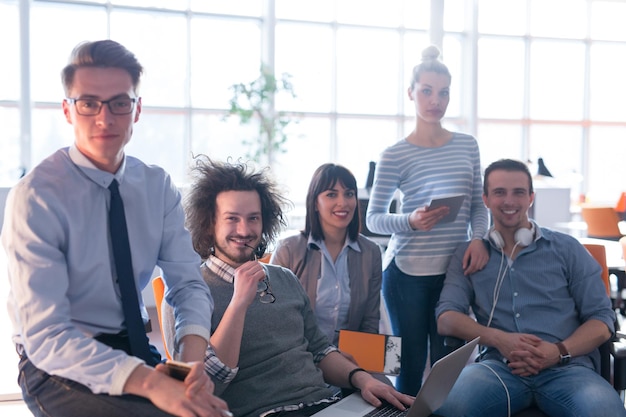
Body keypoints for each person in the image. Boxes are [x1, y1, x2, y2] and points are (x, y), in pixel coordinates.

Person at [1, 40, 228, 417]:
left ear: (137, 109)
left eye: (119, 103)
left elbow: (188, 284)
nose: (104, 119)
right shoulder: (36, 198)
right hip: (59, 362)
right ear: (67, 110)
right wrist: (154, 384)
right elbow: (47, 336)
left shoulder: (157, 187)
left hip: (135, 349)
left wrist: (188, 367)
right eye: (88, 103)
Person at [162, 157, 413, 417]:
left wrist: (362, 379)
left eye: (253, 218)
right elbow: (202, 389)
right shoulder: (187, 291)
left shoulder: (284, 278)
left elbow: (319, 349)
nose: (244, 229)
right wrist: (239, 303)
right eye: (232, 218)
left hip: (327, 403)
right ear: (209, 222)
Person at [434, 158, 626, 416]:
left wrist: (557, 352)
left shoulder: (567, 248)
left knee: (605, 412)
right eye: (500, 192)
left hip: (568, 368)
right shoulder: (469, 254)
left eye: (519, 192)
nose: (509, 201)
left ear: (531, 197)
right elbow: (446, 319)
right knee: (449, 407)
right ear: (486, 199)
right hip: (497, 369)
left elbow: (603, 320)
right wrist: (498, 339)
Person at [365, 44, 489, 395]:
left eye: (444, 93)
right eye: (427, 91)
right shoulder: (394, 155)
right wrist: (410, 221)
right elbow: (374, 219)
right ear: (411, 94)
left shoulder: (467, 145)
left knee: (448, 368)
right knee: (409, 367)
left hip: (455, 271)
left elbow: (479, 206)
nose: (436, 100)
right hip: (406, 274)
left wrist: (479, 238)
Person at [270, 163, 382, 346]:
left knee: (383, 374)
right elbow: (276, 319)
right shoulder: (288, 249)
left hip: (349, 357)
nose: (343, 202)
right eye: (331, 194)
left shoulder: (371, 253)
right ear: (315, 202)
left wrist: (356, 369)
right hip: (300, 355)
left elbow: (370, 323)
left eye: (349, 194)